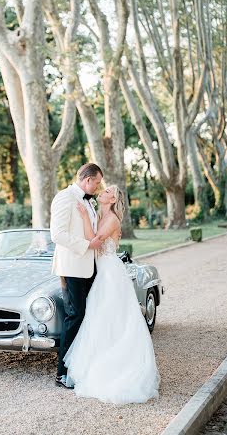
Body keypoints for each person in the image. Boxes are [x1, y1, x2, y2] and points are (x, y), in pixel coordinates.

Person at [64, 185, 160, 404]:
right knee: (99, 318)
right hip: (101, 271)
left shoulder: (113, 219)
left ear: (113, 198)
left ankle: (116, 368)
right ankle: (98, 361)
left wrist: (83, 218)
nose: (102, 191)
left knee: (110, 317)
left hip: (110, 273)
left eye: (106, 190)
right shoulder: (100, 214)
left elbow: (94, 241)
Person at [50, 162, 104, 388]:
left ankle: (80, 367)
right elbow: (57, 234)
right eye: (97, 183)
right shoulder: (65, 197)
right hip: (73, 267)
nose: (98, 187)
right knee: (75, 316)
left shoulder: (88, 202)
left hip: (89, 267)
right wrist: (87, 245)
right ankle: (62, 373)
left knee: (86, 317)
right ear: (87, 179)